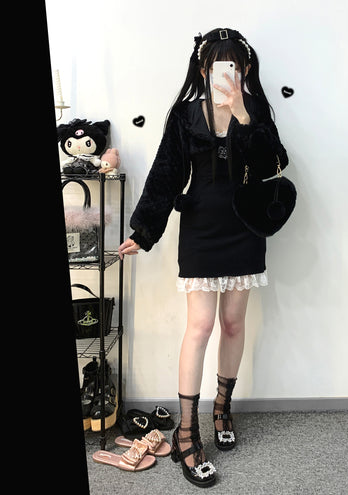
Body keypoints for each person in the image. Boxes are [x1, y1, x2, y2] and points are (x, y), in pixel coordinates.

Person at [118, 27, 289, 487]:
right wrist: (144, 231)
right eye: (217, 66)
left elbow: (274, 164)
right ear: (203, 69)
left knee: (233, 324)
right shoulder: (185, 115)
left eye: (233, 65)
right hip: (200, 230)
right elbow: (166, 173)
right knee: (199, 327)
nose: (225, 73)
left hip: (245, 229)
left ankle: (222, 408)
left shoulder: (256, 111)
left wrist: (242, 114)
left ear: (245, 69)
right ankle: (186, 432)